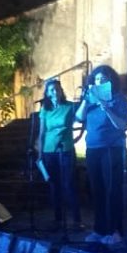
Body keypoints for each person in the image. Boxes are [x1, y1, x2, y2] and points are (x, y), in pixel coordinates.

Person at [75, 64, 127, 248]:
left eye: (103, 79)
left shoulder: (119, 99)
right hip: (93, 148)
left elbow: (122, 125)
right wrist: (85, 99)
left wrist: (106, 107)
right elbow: (78, 117)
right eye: (97, 80)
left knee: (112, 191)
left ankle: (115, 231)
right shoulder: (90, 100)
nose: (100, 82)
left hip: (112, 149)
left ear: (111, 81)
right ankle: (99, 229)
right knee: (97, 190)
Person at [37, 79, 82, 231]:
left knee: (69, 184)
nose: (54, 92)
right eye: (51, 90)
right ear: (47, 93)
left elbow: (82, 119)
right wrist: (40, 152)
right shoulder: (45, 109)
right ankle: (58, 219)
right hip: (49, 151)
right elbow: (42, 132)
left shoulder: (69, 106)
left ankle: (77, 220)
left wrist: (78, 136)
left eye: (56, 89)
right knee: (54, 186)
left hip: (66, 149)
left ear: (61, 90)